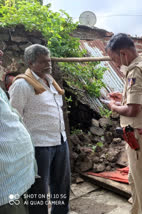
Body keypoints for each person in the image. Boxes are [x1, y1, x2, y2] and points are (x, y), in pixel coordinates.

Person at [105, 33, 142, 214]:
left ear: (123, 53)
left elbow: (133, 110)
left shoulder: (135, 70)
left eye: (114, 58)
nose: (115, 63)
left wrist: (114, 107)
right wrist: (123, 98)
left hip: (141, 136)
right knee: (135, 180)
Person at [9, 44, 70, 214]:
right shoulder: (22, 85)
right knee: (38, 192)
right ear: (30, 63)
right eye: (43, 62)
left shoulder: (50, 81)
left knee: (62, 187)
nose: (48, 65)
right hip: (38, 146)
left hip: (60, 141)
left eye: (49, 61)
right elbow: (14, 117)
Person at [0, 49, 37, 214]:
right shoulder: (20, 85)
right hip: (5, 189)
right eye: (43, 62)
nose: (1, 52)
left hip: (17, 178)